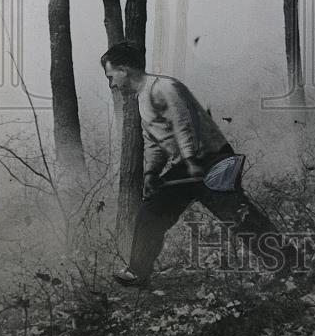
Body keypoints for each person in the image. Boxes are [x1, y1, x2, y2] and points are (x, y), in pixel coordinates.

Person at [102, 41, 288, 286]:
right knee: (152, 211)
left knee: (239, 216)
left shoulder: (164, 87)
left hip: (212, 160)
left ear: (124, 69)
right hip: (188, 167)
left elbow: (185, 123)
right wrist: (151, 173)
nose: (111, 84)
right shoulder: (141, 99)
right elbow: (155, 142)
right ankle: (138, 273)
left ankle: (292, 268)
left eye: (111, 75)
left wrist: (190, 161)